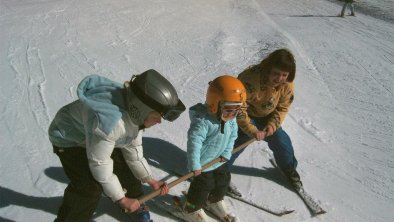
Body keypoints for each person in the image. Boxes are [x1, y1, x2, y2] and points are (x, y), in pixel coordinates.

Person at [48, 69, 186, 222]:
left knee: (126, 164)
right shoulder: (111, 123)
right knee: (89, 186)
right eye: (156, 117)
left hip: (95, 136)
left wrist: (151, 180)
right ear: (141, 109)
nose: (159, 122)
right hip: (68, 139)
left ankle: (135, 202)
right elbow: (100, 163)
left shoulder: (134, 117)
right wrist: (121, 199)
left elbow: (134, 153)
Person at [227, 48, 302, 196]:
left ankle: (289, 169)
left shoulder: (287, 84)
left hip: (267, 116)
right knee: (239, 142)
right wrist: (252, 130)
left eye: (284, 75)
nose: (280, 78)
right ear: (267, 69)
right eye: (276, 73)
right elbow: (238, 108)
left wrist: (272, 124)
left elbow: (283, 106)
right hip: (245, 115)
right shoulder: (249, 79)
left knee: (282, 141)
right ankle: (220, 172)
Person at [182, 75, 246, 222]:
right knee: (203, 185)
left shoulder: (231, 120)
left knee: (223, 180)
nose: (232, 114)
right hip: (203, 164)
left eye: (236, 110)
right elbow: (194, 143)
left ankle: (214, 200)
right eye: (228, 110)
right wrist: (194, 165)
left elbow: (232, 137)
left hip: (219, 160)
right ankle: (191, 208)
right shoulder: (203, 122)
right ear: (214, 105)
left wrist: (226, 152)